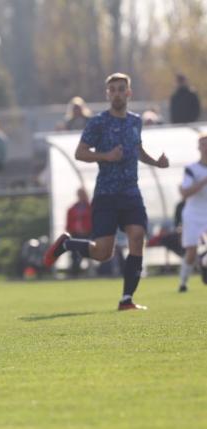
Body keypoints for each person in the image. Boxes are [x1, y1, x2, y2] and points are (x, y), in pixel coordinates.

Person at [43, 73, 170, 311]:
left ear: (129, 93)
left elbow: (137, 149)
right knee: (103, 253)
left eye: (121, 89)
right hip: (106, 195)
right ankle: (67, 244)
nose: (117, 93)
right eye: (112, 89)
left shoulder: (135, 121)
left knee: (137, 236)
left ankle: (126, 299)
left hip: (131, 193)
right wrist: (106, 156)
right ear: (107, 94)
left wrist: (156, 163)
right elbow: (80, 153)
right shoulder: (98, 122)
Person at [177, 132, 207, 293]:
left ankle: (204, 266)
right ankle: (183, 282)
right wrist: (203, 182)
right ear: (198, 147)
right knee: (191, 251)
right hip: (193, 214)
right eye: (203, 143)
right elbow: (185, 193)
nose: (206, 147)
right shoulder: (191, 169)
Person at [65, 188, 93, 277]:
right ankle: (75, 271)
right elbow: (68, 223)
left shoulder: (91, 207)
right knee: (74, 253)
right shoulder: (72, 208)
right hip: (75, 234)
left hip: (88, 234)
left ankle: (83, 271)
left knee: (84, 251)